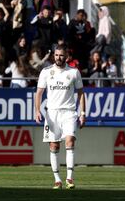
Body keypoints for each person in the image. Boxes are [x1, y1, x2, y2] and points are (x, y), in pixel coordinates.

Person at [35, 45, 86, 190]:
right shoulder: (46, 72)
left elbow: (81, 93)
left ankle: (69, 177)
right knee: (54, 145)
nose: (58, 58)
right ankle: (57, 179)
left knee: (70, 141)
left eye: (61, 55)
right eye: (56, 55)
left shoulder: (74, 72)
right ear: (54, 56)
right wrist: (37, 111)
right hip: (52, 113)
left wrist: (82, 114)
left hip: (69, 112)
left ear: (67, 57)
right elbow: (39, 93)